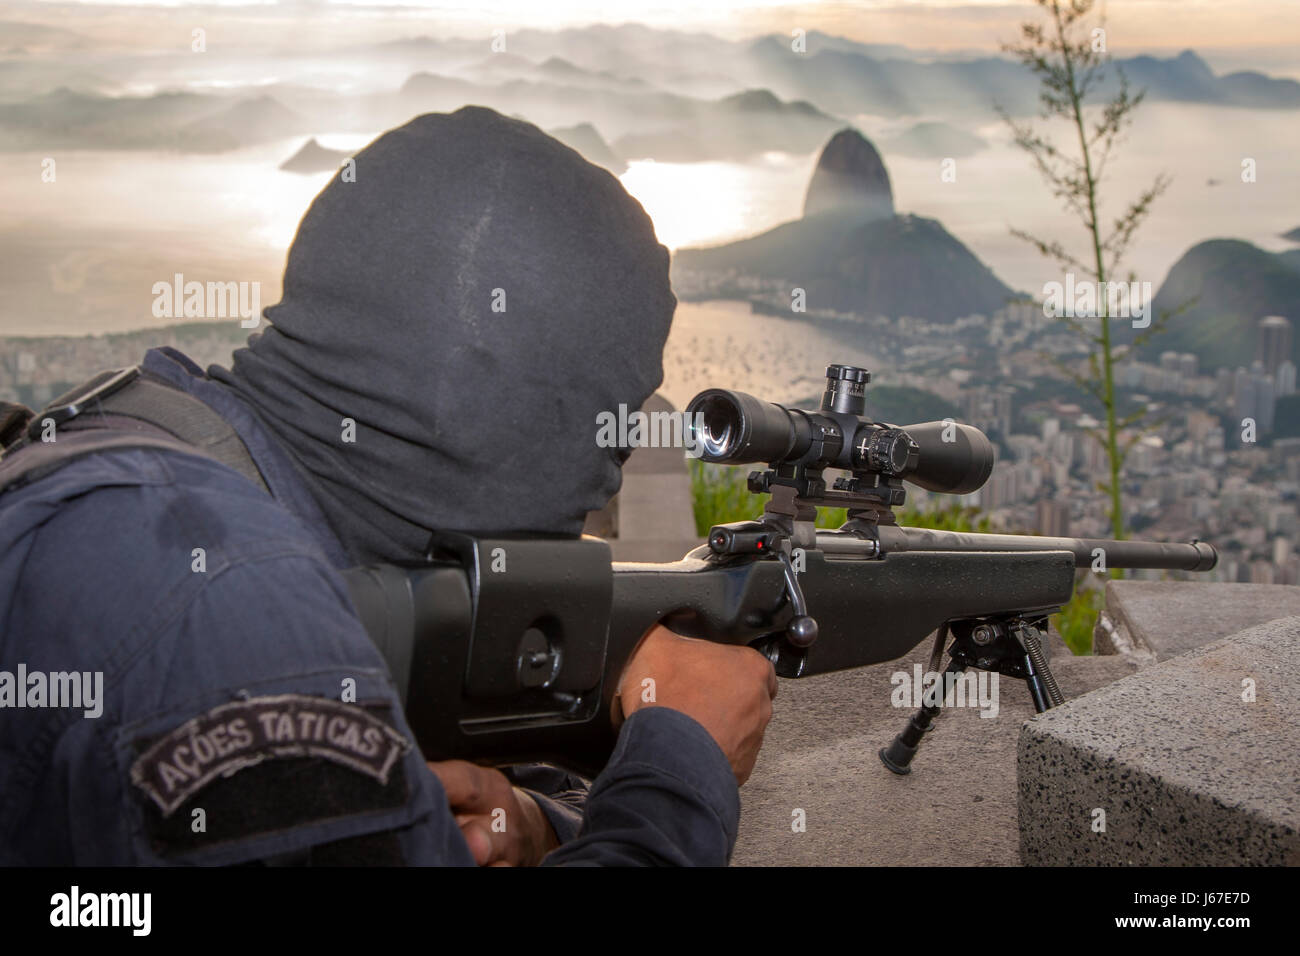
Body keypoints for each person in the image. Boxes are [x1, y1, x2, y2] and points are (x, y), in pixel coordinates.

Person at [0, 106, 776, 866]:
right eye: (610, 420)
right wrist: (680, 764)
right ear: (509, 418)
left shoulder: (161, 437)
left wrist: (532, 825)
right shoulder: (238, 624)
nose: (615, 463)